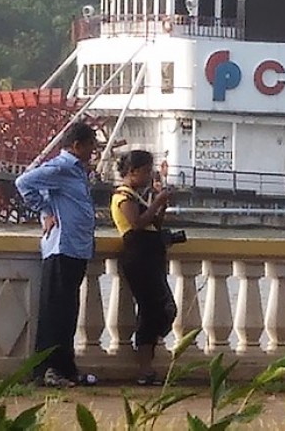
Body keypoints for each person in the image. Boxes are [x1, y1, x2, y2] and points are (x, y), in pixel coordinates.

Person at [15, 121, 98, 388]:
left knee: (68, 312)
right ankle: (48, 370)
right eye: (90, 145)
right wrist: (46, 211)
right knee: (55, 312)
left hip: (77, 247)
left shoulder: (77, 170)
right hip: (62, 247)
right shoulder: (61, 167)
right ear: (77, 145)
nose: (93, 151)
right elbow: (24, 182)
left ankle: (66, 368)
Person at [111, 150, 177, 385]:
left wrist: (161, 206)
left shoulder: (136, 196)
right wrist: (157, 201)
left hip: (149, 256)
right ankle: (145, 367)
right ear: (133, 171)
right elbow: (137, 223)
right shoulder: (123, 196)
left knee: (163, 309)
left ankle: (147, 359)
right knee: (152, 310)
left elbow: (153, 223)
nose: (150, 176)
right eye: (147, 171)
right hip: (139, 257)